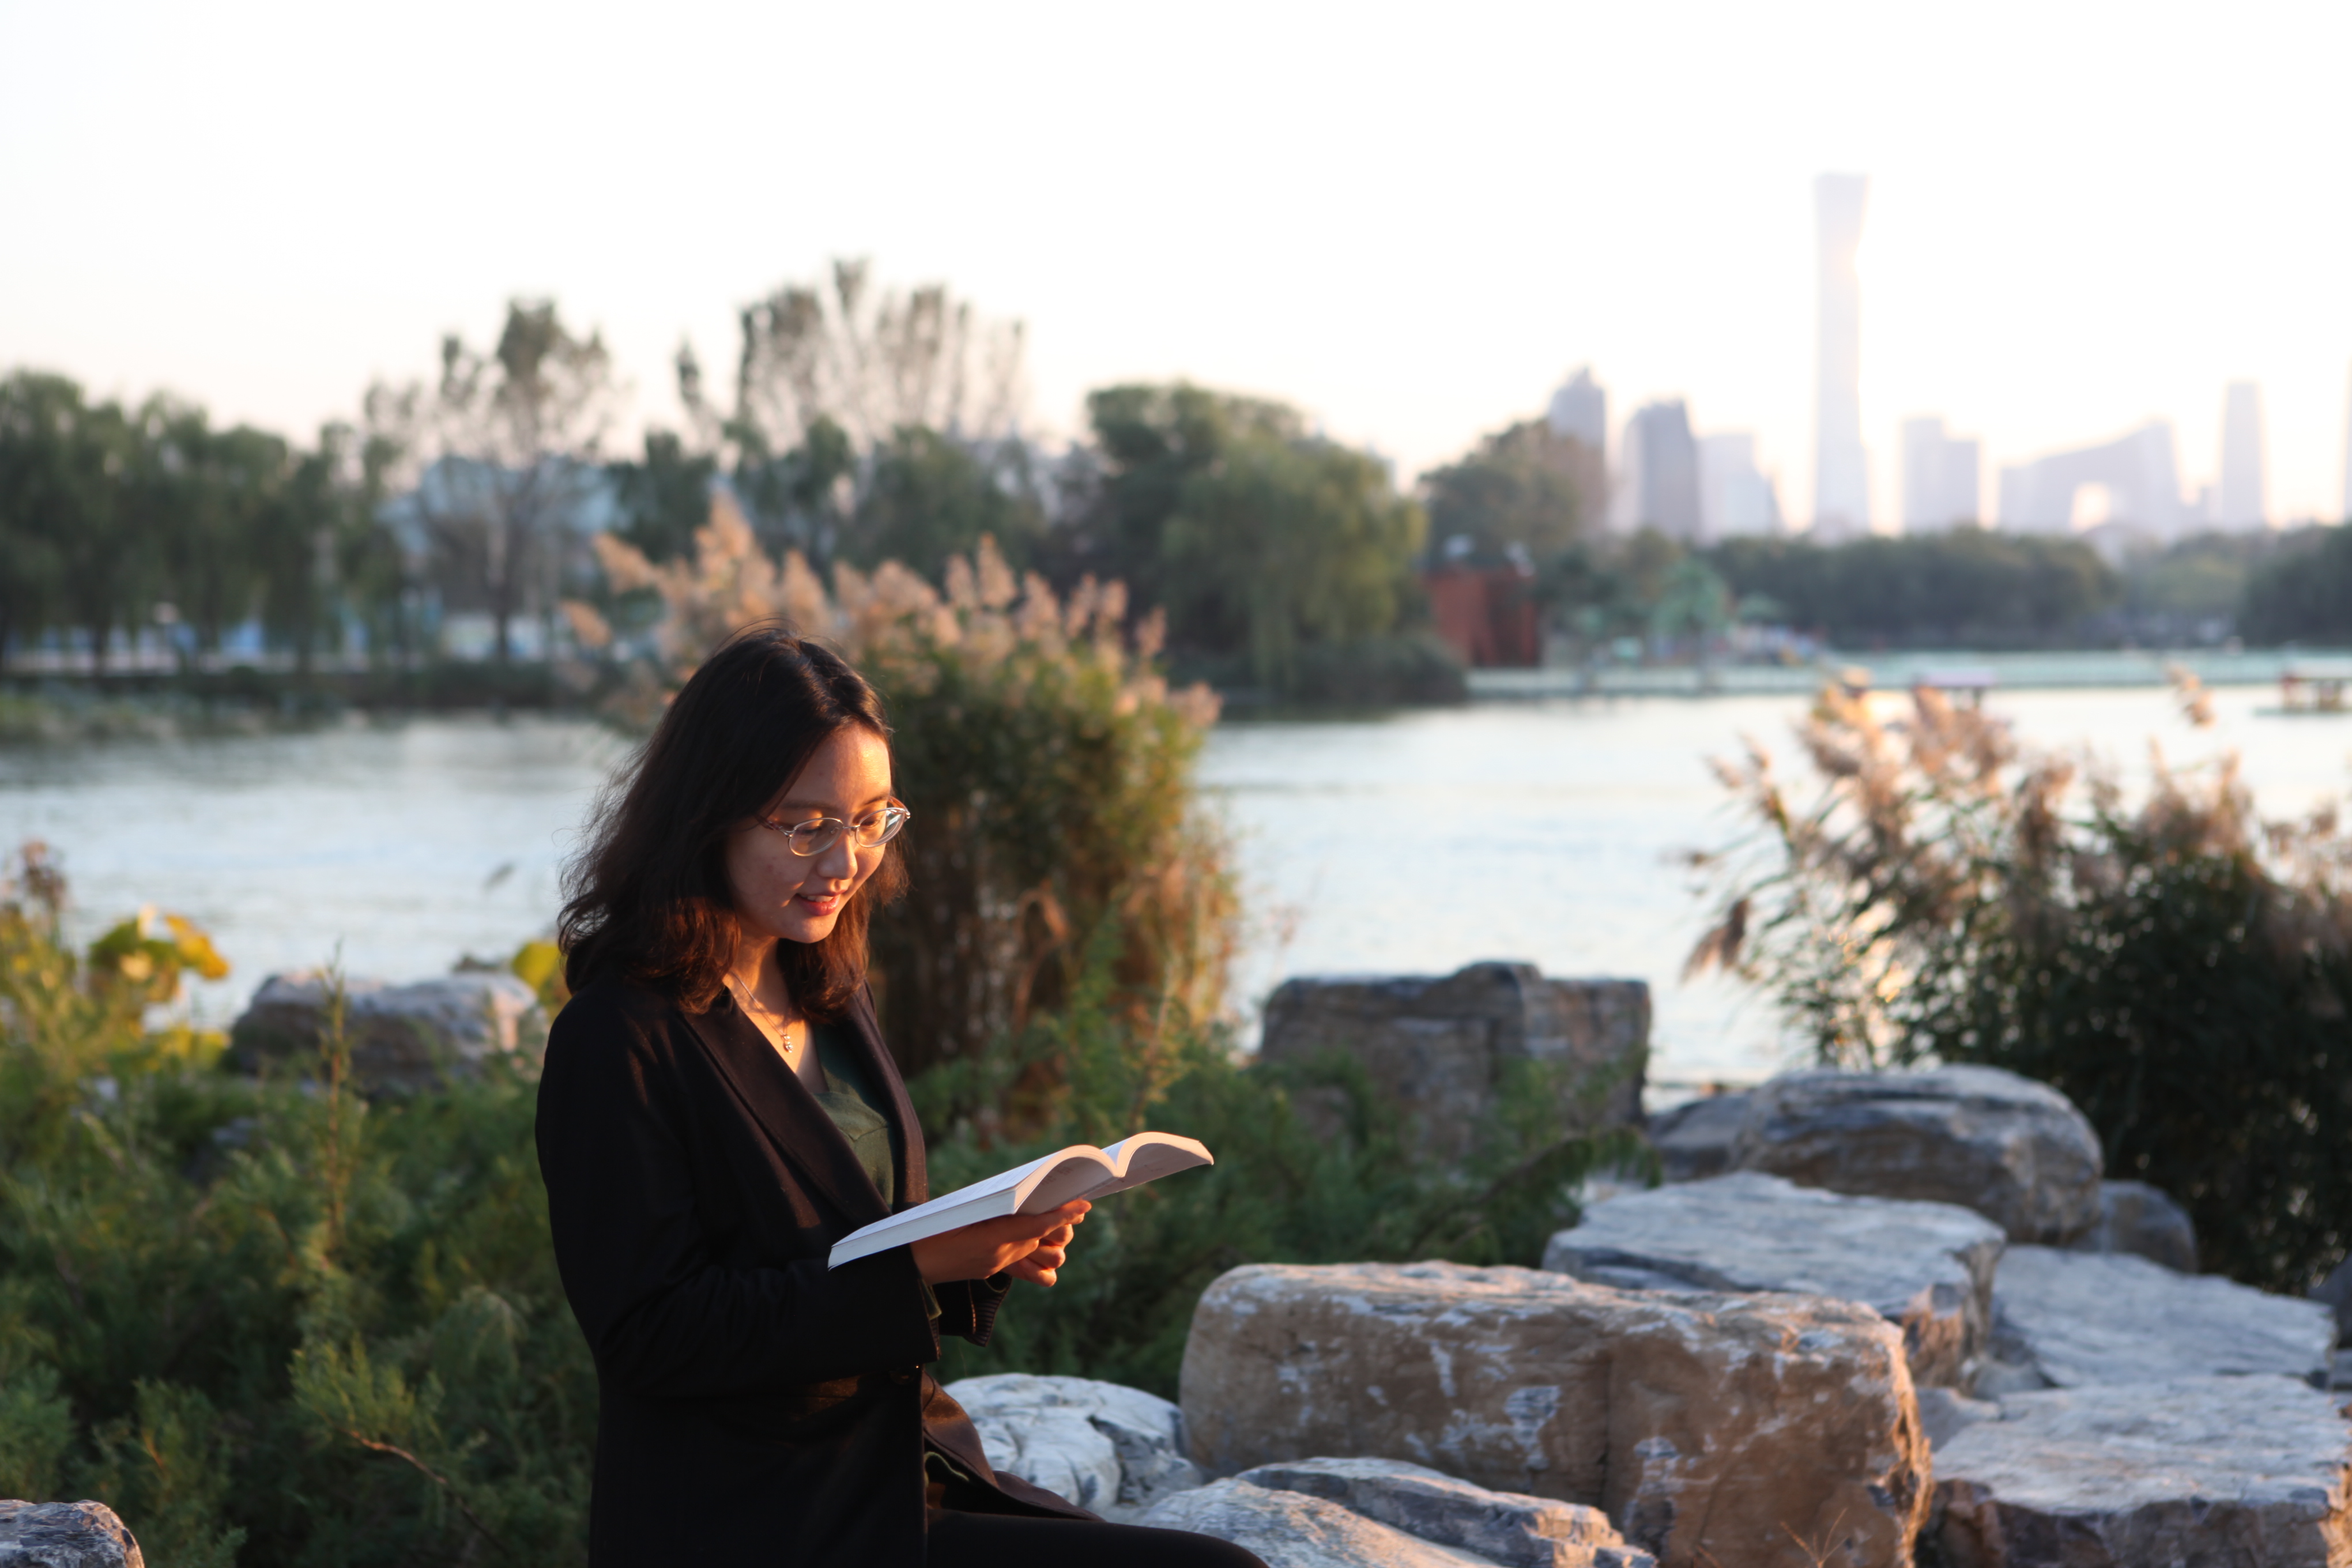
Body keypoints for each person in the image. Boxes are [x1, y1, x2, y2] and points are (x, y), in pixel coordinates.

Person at [537, 625, 1265, 1567]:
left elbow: (849, 1240)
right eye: (806, 825)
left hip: (901, 1476)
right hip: (750, 1517)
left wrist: (985, 1254)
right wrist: (916, 1269)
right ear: (706, 814)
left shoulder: (828, 989)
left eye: (872, 818)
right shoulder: (618, 1035)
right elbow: (652, 1336)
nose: (844, 862)